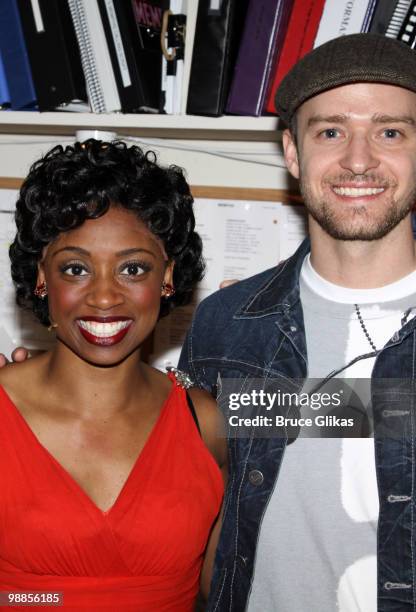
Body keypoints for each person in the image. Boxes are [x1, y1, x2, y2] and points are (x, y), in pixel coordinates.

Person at [177, 34, 416, 611]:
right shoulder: (227, 327)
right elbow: (183, 502)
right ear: (292, 153)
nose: (358, 160)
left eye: (390, 132)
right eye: (330, 132)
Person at [0, 140, 226, 611]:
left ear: (167, 276)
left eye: (133, 268)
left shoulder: (206, 423)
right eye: (76, 268)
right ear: (42, 277)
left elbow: (223, 588)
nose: (104, 297)